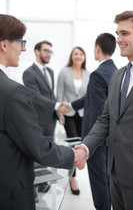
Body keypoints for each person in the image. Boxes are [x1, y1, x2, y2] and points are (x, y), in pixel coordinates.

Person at [0, 14, 87, 210]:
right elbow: (38, 147)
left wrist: (58, 111)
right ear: (4, 44)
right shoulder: (13, 90)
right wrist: (72, 156)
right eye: (21, 42)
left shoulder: (49, 72)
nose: (23, 48)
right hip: (9, 191)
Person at [75, 11, 133, 210]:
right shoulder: (118, 75)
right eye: (117, 34)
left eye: (124, 33)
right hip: (113, 173)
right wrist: (85, 147)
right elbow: (106, 119)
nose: (118, 40)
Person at [71, 33, 117, 210]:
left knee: (99, 181)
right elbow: (91, 98)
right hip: (111, 138)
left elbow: (99, 112)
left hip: (96, 140)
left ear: (97, 48)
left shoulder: (98, 74)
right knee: (107, 179)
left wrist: (89, 142)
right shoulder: (116, 72)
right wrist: (71, 105)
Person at [23, 41, 67, 193]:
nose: (49, 54)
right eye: (46, 51)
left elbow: (51, 95)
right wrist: (57, 106)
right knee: (36, 153)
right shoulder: (29, 73)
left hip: (51, 119)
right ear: (37, 51)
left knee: (47, 151)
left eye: (50, 52)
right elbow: (35, 97)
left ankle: (42, 184)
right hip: (37, 120)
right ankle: (34, 188)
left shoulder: (50, 72)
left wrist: (58, 112)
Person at [57, 46, 90, 195]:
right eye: (76, 54)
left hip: (83, 114)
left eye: (81, 54)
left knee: (80, 143)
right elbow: (60, 93)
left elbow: (89, 97)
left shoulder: (88, 74)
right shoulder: (64, 72)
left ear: (84, 57)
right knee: (74, 144)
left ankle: (72, 174)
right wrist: (60, 114)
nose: (78, 57)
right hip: (68, 113)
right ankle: (73, 178)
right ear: (72, 56)